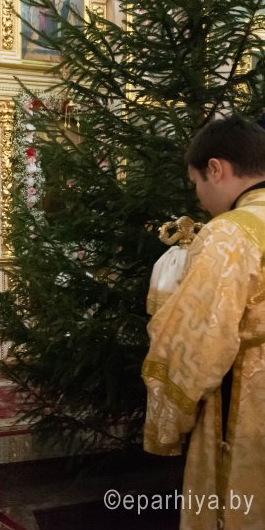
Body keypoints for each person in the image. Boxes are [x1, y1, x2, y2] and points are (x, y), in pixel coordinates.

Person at [143, 116, 265, 530]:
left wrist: (165, 423)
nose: (198, 196)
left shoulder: (229, 233)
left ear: (216, 169)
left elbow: (196, 343)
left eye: (195, 182)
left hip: (246, 406)